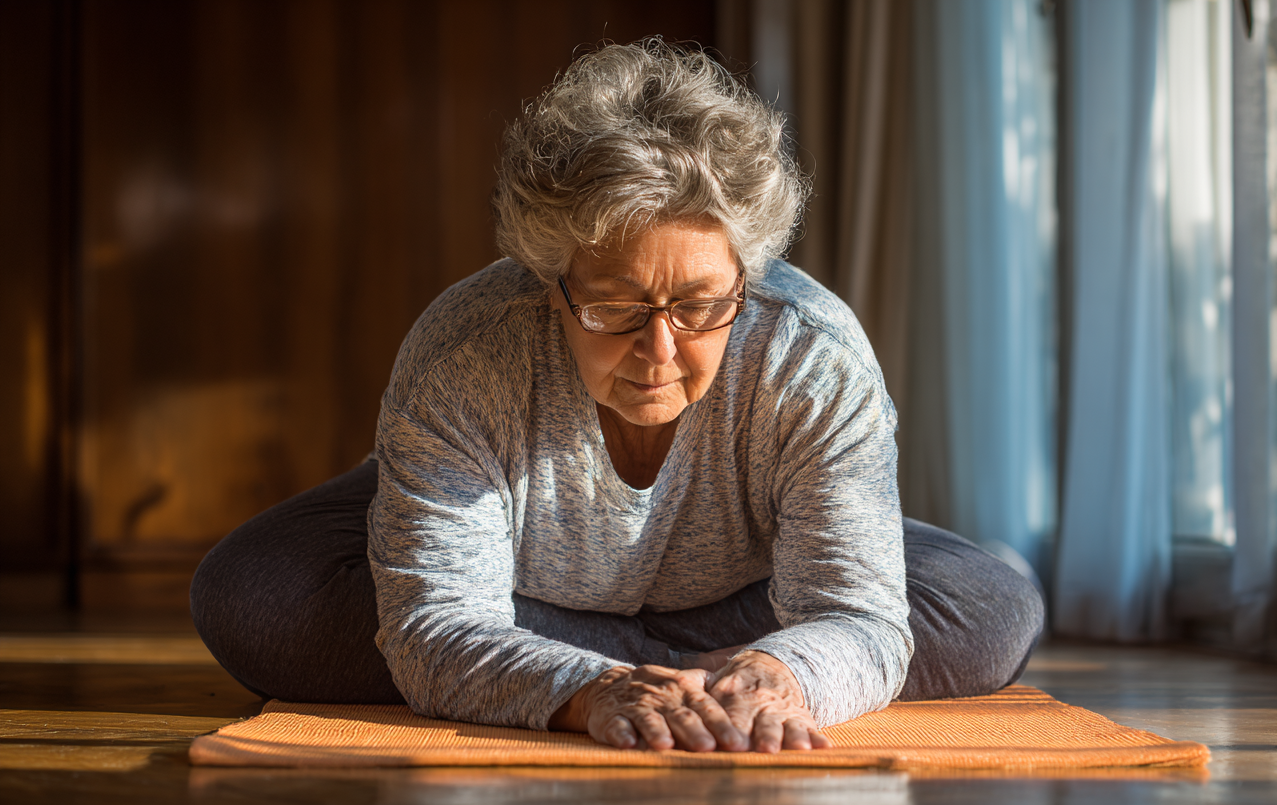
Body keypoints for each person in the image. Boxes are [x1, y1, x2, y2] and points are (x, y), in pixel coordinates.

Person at [190, 39, 1043, 755]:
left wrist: (784, 672)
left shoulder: (810, 354)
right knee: (258, 597)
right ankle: (647, 661)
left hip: (744, 588)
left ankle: (671, 660)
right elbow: (435, 620)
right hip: (512, 567)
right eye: (615, 308)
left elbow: (853, 612)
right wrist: (591, 688)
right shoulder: (469, 351)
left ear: (750, 272)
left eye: (703, 306)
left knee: (992, 609)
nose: (660, 352)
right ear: (550, 280)